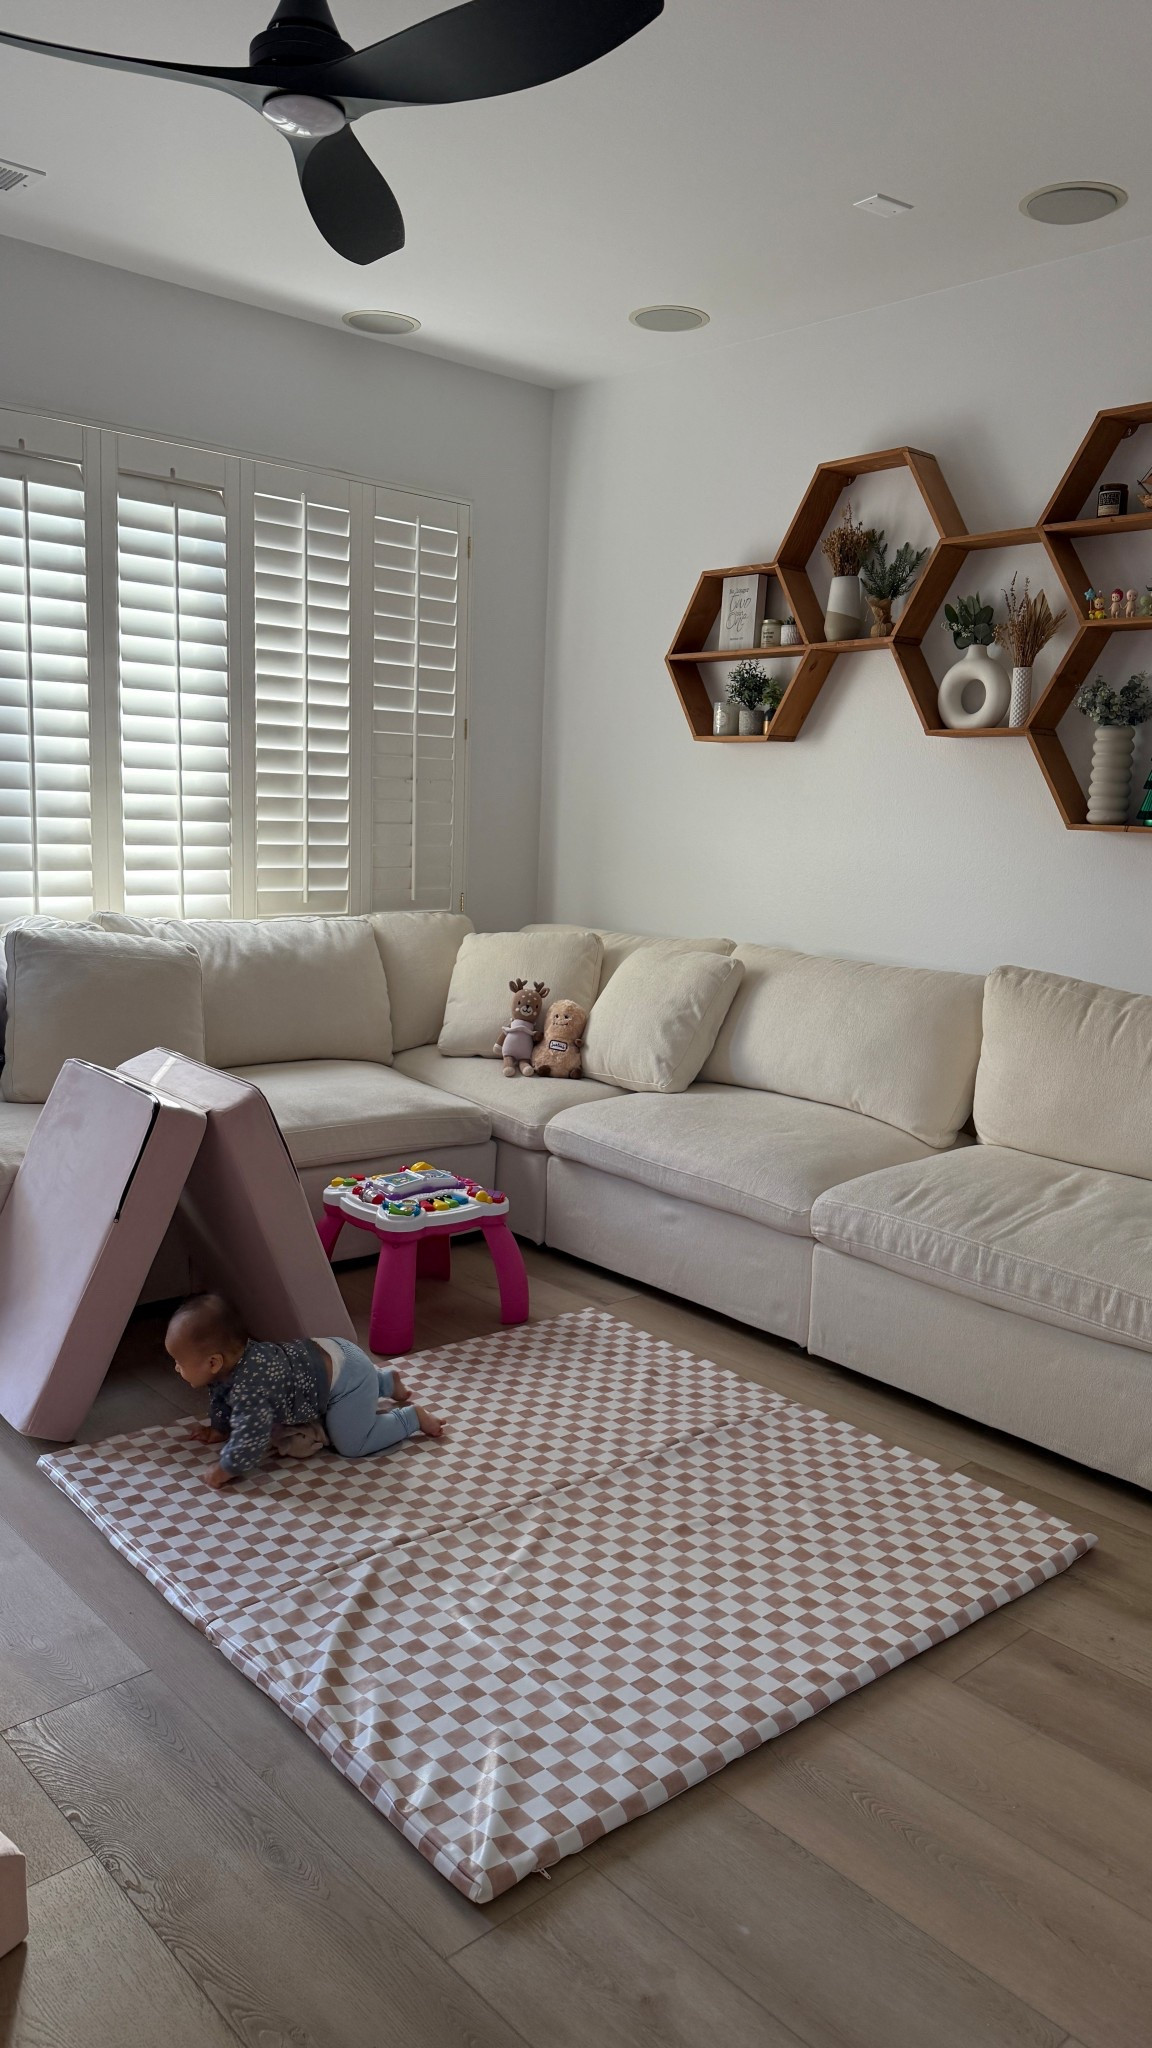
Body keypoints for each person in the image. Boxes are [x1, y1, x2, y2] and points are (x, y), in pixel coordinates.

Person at [165, 1292, 444, 1489]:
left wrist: (226, 1468)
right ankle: (384, 1381)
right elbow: (222, 1400)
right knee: (350, 1385)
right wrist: (220, 1428)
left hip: (346, 1378)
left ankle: (410, 1418)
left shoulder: (251, 1389)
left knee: (352, 1444)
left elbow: (251, 1438)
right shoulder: (233, 1366)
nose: (177, 1369)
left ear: (213, 1362)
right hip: (332, 1354)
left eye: (179, 1363)